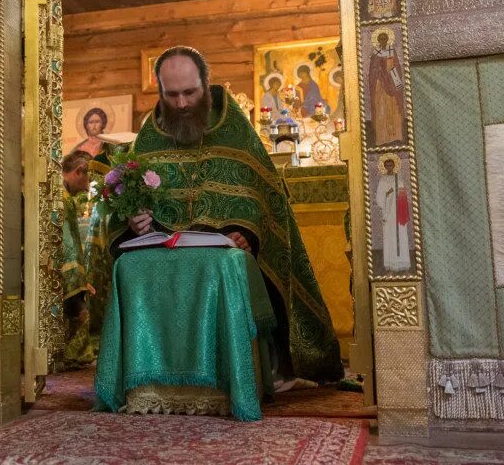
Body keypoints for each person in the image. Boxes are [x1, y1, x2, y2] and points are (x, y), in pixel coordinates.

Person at [107, 45, 342, 386]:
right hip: (162, 248)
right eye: (171, 95)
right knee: (127, 267)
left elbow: (262, 195)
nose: (182, 103)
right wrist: (134, 222)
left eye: (190, 92)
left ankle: (244, 372)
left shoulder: (234, 129)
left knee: (227, 265)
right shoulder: (150, 136)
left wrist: (244, 231)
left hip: (222, 251)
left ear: (206, 83)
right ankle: (148, 376)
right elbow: (129, 200)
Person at [58, 151, 97, 368]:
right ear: (78, 171)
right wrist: (80, 280)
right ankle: (71, 355)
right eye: (87, 180)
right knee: (80, 310)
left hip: (63, 267)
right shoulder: (62, 200)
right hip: (62, 268)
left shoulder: (61, 195)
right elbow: (68, 243)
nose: (85, 187)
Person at [368, 29, 404, 145]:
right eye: (381, 39)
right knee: (382, 108)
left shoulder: (392, 50)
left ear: (388, 39)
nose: (383, 41)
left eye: (385, 38)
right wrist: (381, 71)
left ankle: (396, 136)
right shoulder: (376, 52)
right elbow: (373, 69)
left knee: (394, 107)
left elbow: (397, 66)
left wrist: (393, 74)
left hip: (393, 80)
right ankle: (383, 138)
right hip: (381, 84)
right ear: (378, 40)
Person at [376, 154, 411, 272]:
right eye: (387, 165)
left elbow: (403, 194)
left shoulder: (398, 178)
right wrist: (388, 193)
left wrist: (396, 193)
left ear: (394, 165)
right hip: (389, 212)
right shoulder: (383, 179)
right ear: (384, 166)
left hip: (399, 211)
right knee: (390, 235)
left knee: (401, 235)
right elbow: (379, 197)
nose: (389, 167)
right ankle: (391, 264)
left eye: (391, 165)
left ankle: (403, 263)